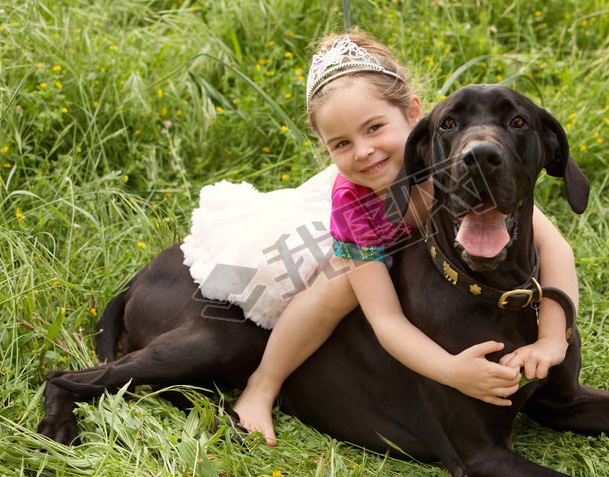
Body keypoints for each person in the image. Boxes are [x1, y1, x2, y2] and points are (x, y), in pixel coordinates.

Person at [182, 32, 579, 446]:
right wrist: (448, 369)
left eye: (374, 128)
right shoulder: (352, 203)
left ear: (413, 114)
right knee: (333, 290)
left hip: (423, 253)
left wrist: (553, 339)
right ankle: (261, 387)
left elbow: (554, 248)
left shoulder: (448, 156)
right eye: (342, 143)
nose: (364, 152)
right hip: (357, 245)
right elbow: (386, 319)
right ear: (325, 147)